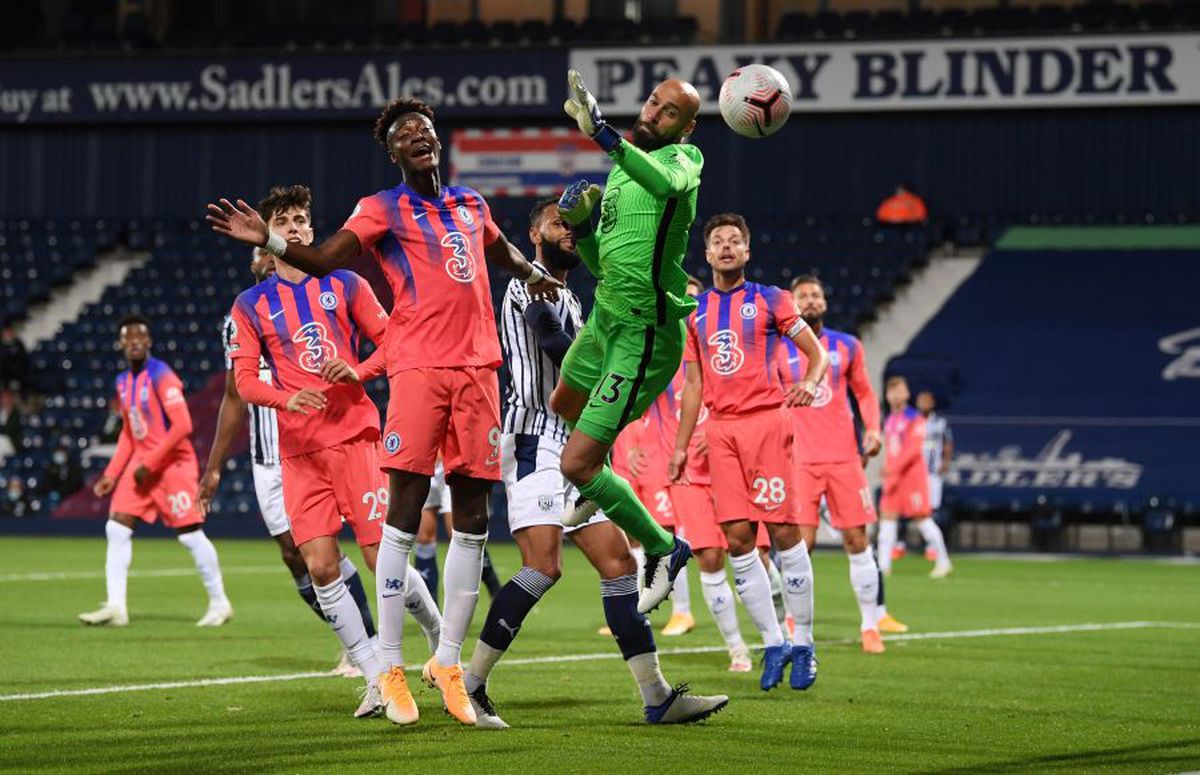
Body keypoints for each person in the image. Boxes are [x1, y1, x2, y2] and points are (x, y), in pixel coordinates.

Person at [207, 97, 560, 727]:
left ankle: (448, 663)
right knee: (398, 524)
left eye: (424, 128)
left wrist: (533, 269)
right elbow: (320, 259)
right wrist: (267, 237)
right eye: (404, 134)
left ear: (436, 140)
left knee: (473, 520)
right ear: (392, 152)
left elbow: (500, 249)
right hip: (415, 376)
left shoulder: (471, 204)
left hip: (479, 370)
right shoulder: (381, 209)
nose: (418, 137)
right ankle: (387, 667)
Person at [464, 197, 727, 728]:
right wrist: (624, 365)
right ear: (534, 235)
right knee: (543, 566)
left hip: (575, 443)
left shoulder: (577, 299)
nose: (568, 231)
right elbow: (556, 345)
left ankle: (656, 697)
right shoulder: (526, 286)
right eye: (557, 223)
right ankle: (470, 685)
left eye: (571, 224)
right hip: (535, 437)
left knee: (619, 566)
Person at [225, 184, 441, 721]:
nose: (295, 227)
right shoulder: (249, 305)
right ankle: (375, 678)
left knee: (376, 558)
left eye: (301, 219)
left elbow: (395, 343)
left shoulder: (345, 284)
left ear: (311, 230)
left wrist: (359, 370)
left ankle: (441, 641)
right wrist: (286, 396)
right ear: (269, 233)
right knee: (320, 566)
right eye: (285, 219)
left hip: (354, 440)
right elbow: (245, 382)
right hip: (299, 454)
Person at [550, 71, 704, 616]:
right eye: (653, 102)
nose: (653, 113)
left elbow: (663, 186)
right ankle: (596, 484)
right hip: (605, 318)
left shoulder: (684, 163)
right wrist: (583, 228)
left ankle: (664, 548)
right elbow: (603, 265)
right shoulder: (619, 175)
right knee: (563, 403)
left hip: (643, 333)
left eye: (667, 112)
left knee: (576, 463)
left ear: (687, 126)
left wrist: (602, 134)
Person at [199, 234, 379, 679]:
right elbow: (234, 396)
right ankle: (353, 639)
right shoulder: (243, 317)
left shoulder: (317, 301)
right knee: (294, 556)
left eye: (272, 248)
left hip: (314, 444)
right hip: (267, 458)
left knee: (331, 552)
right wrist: (215, 465)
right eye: (261, 252)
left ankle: (366, 646)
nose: (268, 257)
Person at [669, 213, 829, 692]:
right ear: (707, 252)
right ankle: (773, 642)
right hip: (720, 432)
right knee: (737, 539)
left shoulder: (771, 298)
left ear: (747, 252)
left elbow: (815, 352)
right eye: (717, 241)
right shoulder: (693, 313)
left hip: (765, 422)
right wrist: (680, 447)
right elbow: (694, 383)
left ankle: (806, 645)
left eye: (734, 241)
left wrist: (808, 381)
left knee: (782, 531)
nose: (725, 247)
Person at [79, 314, 232, 628]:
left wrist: (149, 462)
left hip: (172, 464)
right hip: (141, 466)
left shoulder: (162, 375)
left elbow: (183, 426)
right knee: (117, 527)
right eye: (128, 339)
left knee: (190, 535)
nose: (134, 344)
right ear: (121, 345)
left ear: (148, 342)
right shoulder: (122, 382)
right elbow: (128, 432)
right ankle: (116, 606)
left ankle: (220, 603)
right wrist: (111, 473)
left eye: (140, 338)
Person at [784, 275, 907, 654]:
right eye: (802, 295)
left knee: (858, 540)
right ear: (792, 304)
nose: (810, 299)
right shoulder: (778, 348)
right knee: (800, 546)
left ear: (824, 301)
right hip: (799, 461)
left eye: (816, 294)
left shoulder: (847, 345)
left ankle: (871, 625)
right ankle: (793, 620)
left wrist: (873, 429)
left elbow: (866, 393)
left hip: (843, 458)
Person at [878, 377, 952, 579]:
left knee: (922, 519)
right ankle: (883, 566)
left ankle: (943, 561)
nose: (895, 395)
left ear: (907, 394)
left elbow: (912, 451)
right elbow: (891, 450)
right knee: (887, 517)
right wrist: (888, 468)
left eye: (899, 391)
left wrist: (892, 469)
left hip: (912, 478)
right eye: (891, 392)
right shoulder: (889, 420)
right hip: (894, 477)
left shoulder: (914, 418)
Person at [414, 457, 503, 604]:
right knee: (424, 537)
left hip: (450, 464)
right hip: (424, 463)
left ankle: (495, 590)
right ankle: (431, 609)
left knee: (459, 533)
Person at [917, 390, 954, 528]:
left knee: (933, 507)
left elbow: (948, 443)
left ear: (932, 403)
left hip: (933, 471)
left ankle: (931, 544)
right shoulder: (912, 422)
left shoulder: (940, 423)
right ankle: (901, 541)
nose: (923, 404)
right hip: (916, 472)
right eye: (921, 400)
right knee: (913, 505)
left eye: (926, 400)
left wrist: (945, 462)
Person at [0, 325, 30, 394]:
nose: (8, 334)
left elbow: (23, 359)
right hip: (3, 376)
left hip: (17, 376)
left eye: (10, 332)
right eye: (6, 332)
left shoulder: (18, 343)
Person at [0, 388, 22, 456]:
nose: (5, 400)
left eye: (7, 398)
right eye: (3, 398)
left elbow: (9, 430)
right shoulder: (1, 412)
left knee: (2, 439)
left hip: (11, 443)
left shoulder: (16, 414)